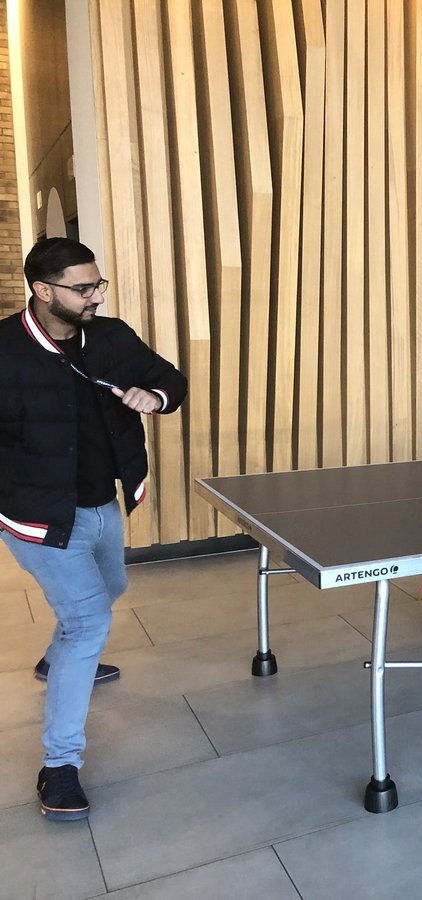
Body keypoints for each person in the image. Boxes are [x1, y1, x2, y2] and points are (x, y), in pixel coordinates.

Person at [0, 237, 187, 820]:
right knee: (88, 621)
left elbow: (171, 380)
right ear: (43, 289)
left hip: (103, 504)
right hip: (36, 516)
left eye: (97, 285)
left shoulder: (111, 337)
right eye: (83, 288)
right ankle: (59, 766)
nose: (95, 297)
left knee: (111, 592)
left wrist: (153, 398)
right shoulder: (3, 351)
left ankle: (53, 660)